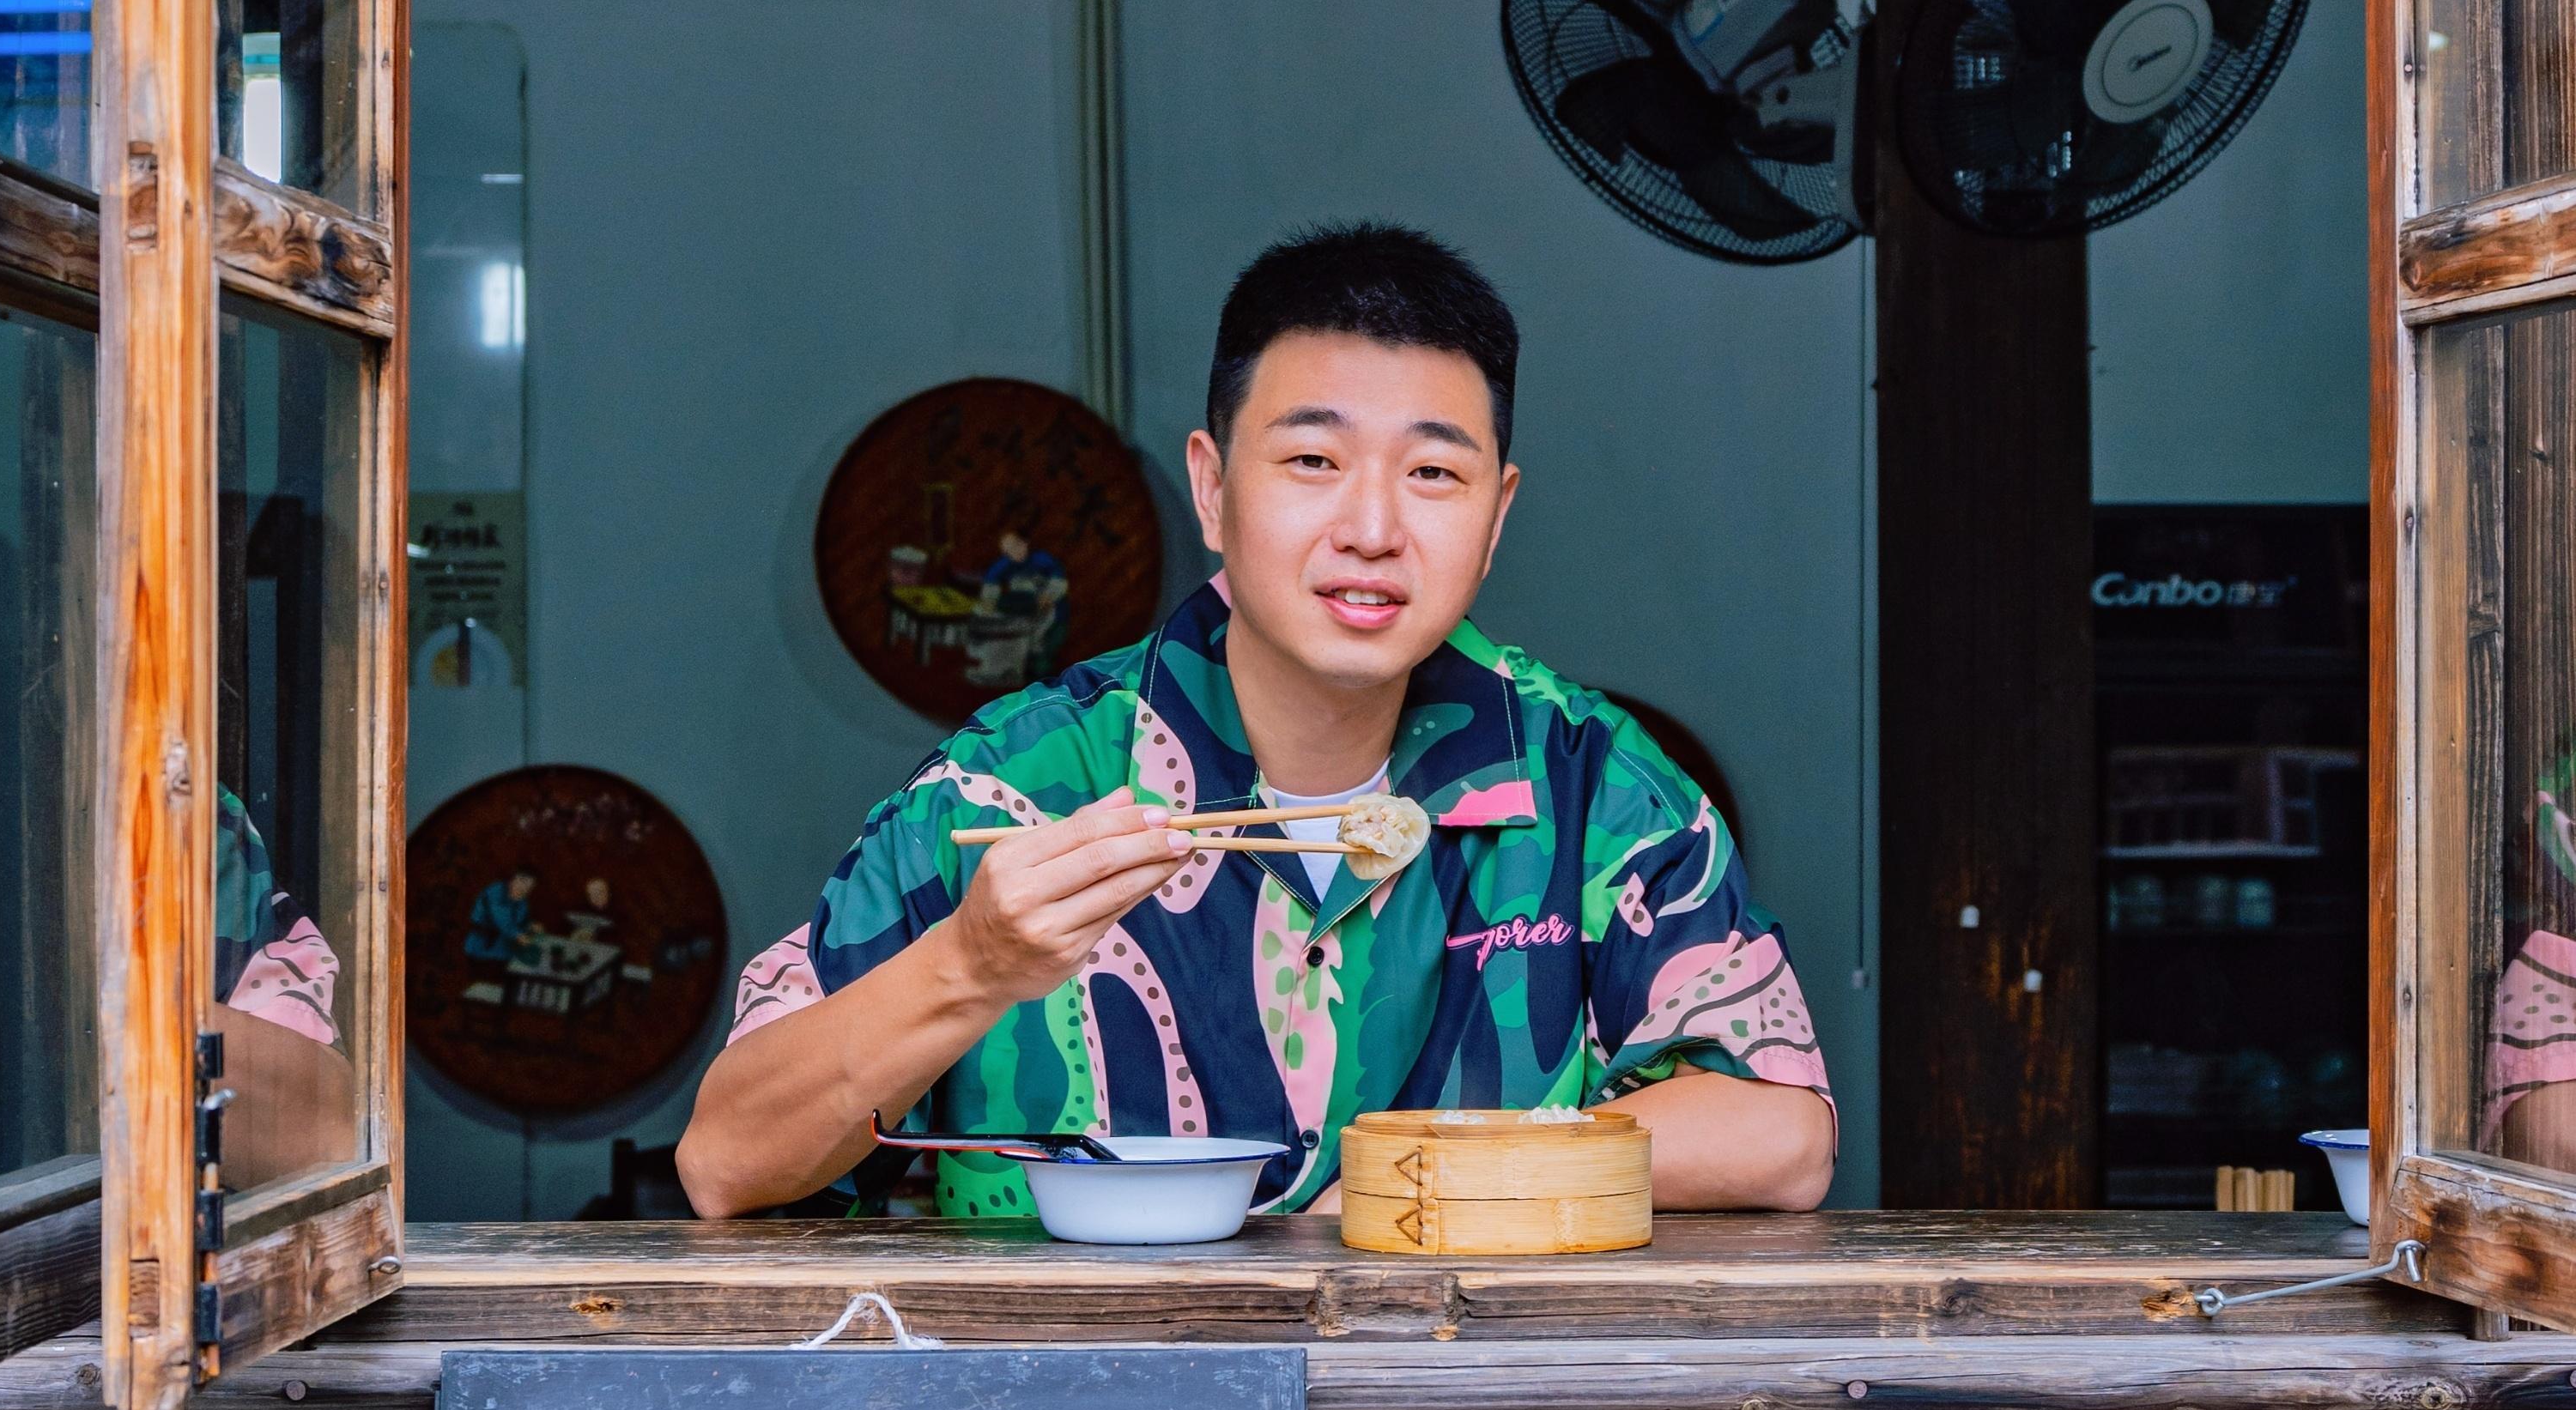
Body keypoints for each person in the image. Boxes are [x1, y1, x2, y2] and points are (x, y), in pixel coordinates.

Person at [680, 223, 1835, 1219]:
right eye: (1313, 460)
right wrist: (971, 968)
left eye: (1433, 475)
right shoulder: (1017, 781)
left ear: (1497, 517)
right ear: (1213, 486)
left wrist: (1411, 1183)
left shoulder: (1588, 783)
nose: (1373, 527)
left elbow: (1782, 1134)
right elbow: (728, 1164)